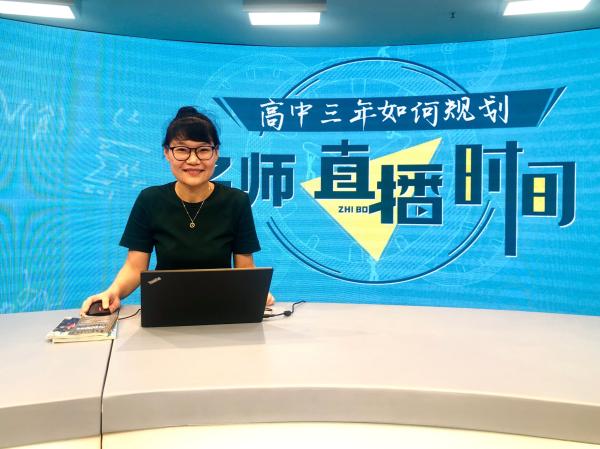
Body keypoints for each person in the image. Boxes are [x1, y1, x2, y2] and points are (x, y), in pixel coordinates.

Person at [81, 106, 274, 314]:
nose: (193, 160)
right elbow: (135, 267)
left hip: (221, 311)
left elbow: (245, 268)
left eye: (203, 150)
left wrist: (256, 292)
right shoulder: (150, 200)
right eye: (182, 150)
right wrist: (114, 291)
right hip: (164, 311)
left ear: (216, 153)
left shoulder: (236, 201)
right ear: (167, 153)